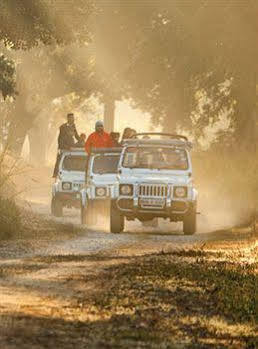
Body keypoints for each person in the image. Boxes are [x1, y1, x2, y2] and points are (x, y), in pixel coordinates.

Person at [53, 113, 80, 178]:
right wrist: (61, 147)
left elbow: (76, 136)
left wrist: (81, 141)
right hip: (64, 146)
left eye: (73, 118)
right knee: (60, 159)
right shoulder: (63, 127)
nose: (72, 119)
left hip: (71, 145)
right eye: (71, 118)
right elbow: (60, 138)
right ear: (67, 118)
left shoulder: (73, 126)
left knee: (70, 160)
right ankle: (55, 173)